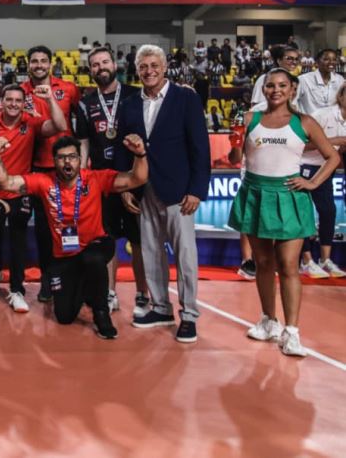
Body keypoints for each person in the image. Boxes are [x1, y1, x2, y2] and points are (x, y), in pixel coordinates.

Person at [0, 135, 149, 339]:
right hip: (65, 256)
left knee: (92, 258)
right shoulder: (43, 181)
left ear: (79, 159)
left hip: (97, 244)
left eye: (72, 157)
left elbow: (138, 178)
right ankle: (84, 287)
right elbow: (6, 182)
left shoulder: (95, 178)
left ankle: (101, 312)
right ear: (54, 161)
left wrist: (140, 154)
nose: (67, 162)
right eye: (61, 158)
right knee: (64, 317)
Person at [227, 69, 338, 357]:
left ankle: (292, 332)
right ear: (263, 90)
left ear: (292, 90)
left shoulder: (305, 122)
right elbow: (234, 159)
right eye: (269, 86)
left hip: (290, 196)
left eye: (282, 86)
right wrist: (235, 143)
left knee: (288, 265)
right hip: (255, 194)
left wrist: (312, 182)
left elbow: (333, 156)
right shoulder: (249, 119)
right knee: (263, 262)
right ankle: (268, 321)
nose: (275, 90)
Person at [117, 45, 210, 344]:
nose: (149, 71)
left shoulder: (185, 98)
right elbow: (123, 148)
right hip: (144, 189)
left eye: (154, 64)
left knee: (184, 256)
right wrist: (125, 187)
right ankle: (160, 307)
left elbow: (200, 148)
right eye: (143, 66)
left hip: (179, 191)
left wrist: (197, 189)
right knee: (150, 252)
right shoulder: (130, 103)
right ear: (137, 69)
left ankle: (190, 315)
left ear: (165, 66)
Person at [74, 48, 149, 316]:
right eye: (95, 65)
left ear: (114, 64)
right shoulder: (86, 103)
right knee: (107, 239)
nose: (100, 67)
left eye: (104, 62)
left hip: (133, 177)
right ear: (90, 70)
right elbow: (83, 143)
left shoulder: (134, 95)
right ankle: (109, 292)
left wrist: (131, 181)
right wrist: (82, 176)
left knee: (139, 240)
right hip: (101, 182)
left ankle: (143, 294)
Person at [0, 85, 66, 312]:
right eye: (9, 99)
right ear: (2, 100)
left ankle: (17, 290)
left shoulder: (31, 122)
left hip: (20, 190)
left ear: (23, 103)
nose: (13, 104)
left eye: (18, 100)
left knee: (17, 240)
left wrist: (48, 100)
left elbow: (60, 125)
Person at [21, 46, 81, 301]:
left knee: (67, 225)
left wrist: (82, 161)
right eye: (34, 61)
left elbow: (81, 126)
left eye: (43, 61)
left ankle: (72, 277)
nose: (39, 65)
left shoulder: (69, 88)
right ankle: (48, 280)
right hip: (35, 167)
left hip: (65, 169)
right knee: (43, 230)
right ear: (28, 64)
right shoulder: (20, 92)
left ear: (51, 63)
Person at [296, 81, 346, 279]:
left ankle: (325, 260)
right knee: (304, 213)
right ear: (341, 96)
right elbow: (299, 143)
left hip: (326, 168)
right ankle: (306, 261)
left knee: (328, 211)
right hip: (303, 166)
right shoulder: (322, 115)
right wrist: (332, 141)